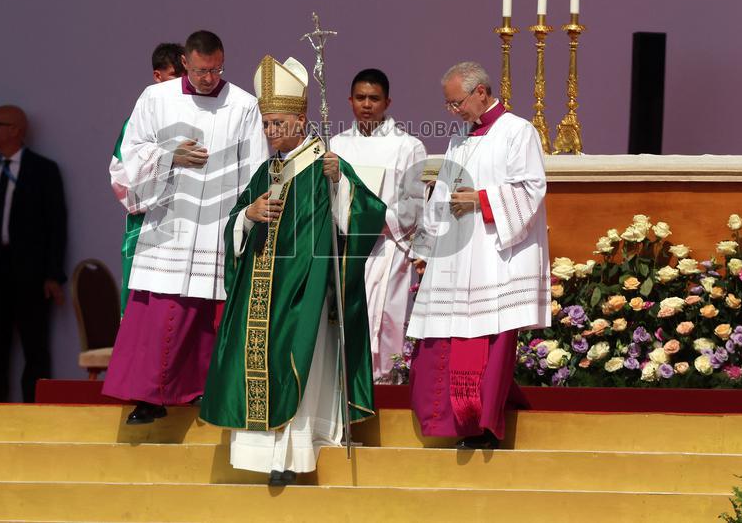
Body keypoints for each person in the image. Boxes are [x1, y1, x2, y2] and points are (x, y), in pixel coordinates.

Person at [200, 55, 386, 486]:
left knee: (294, 361)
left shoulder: (325, 165)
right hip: (261, 291)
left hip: (306, 292)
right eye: (266, 124)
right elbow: (233, 225)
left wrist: (341, 184)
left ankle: (294, 454)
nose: (270, 132)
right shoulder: (268, 170)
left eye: (278, 123)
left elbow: (368, 216)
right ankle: (258, 456)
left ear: (302, 120)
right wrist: (249, 213)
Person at [103, 30, 267, 424]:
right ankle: (148, 398)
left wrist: (246, 216)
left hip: (216, 226)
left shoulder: (243, 104)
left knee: (207, 313)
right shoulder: (155, 98)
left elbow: (256, 168)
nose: (208, 78)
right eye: (199, 71)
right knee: (161, 312)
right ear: (185, 63)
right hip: (169, 223)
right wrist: (167, 156)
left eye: (216, 70)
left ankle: (201, 395)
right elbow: (129, 156)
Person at [407, 61, 550, 450]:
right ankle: (447, 422)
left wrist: (481, 200)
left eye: (457, 103)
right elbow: (445, 193)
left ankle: (481, 425)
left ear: (481, 92)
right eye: (449, 105)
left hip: (494, 258)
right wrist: (428, 239)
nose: (453, 111)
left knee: (487, 342)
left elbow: (532, 189)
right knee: (441, 342)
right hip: (458, 258)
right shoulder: (460, 138)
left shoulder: (518, 131)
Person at [0, 105, 67, 403]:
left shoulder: (44, 170)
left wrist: (52, 274)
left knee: (36, 349)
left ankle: (36, 417)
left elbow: (56, 225)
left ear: (15, 130)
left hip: (32, 276)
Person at [330, 68, 427, 381]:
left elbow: (412, 206)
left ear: (388, 102)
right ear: (350, 100)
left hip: (388, 247)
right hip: (347, 248)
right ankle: (348, 386)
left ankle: (387, 382)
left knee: (385, 317)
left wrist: (370, 217)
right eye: (360, 98)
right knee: (347, 316)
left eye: (374, 98)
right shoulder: (337, 145)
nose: (367, 104)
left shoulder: (407, 146)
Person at [109, 43, 185, 312]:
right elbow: (121, 178)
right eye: (175, 76)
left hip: (191, 232)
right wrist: (167, 160)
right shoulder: (138, 122)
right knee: (144, 320)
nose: (182, 85)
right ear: (157, 76)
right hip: (147, 230)